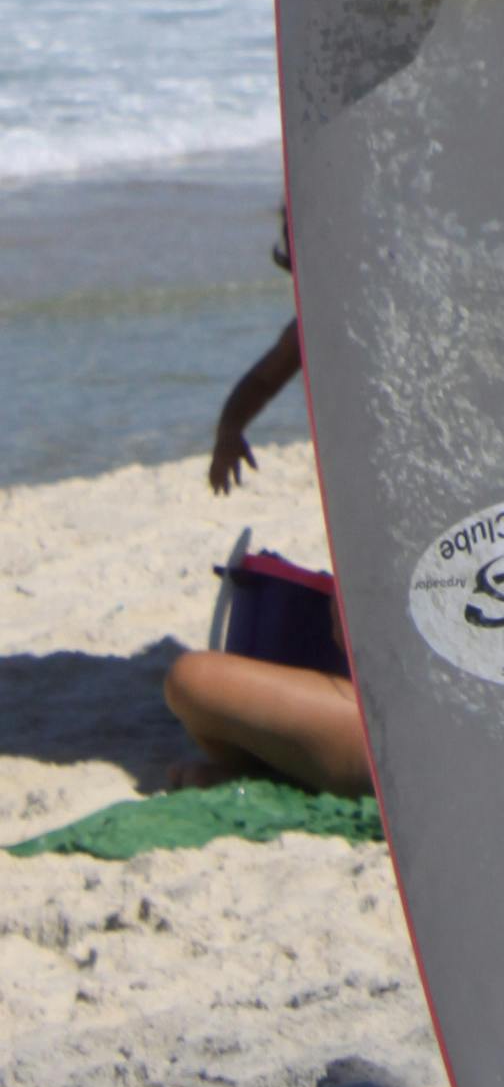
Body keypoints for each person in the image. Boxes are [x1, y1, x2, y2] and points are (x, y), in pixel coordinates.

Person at [161, 252, 373, 800]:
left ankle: (274, 769)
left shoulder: (331, 326)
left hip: (397, 739)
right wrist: (231, 429)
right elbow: (259, 381)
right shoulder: (318, 326)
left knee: (192, 681)